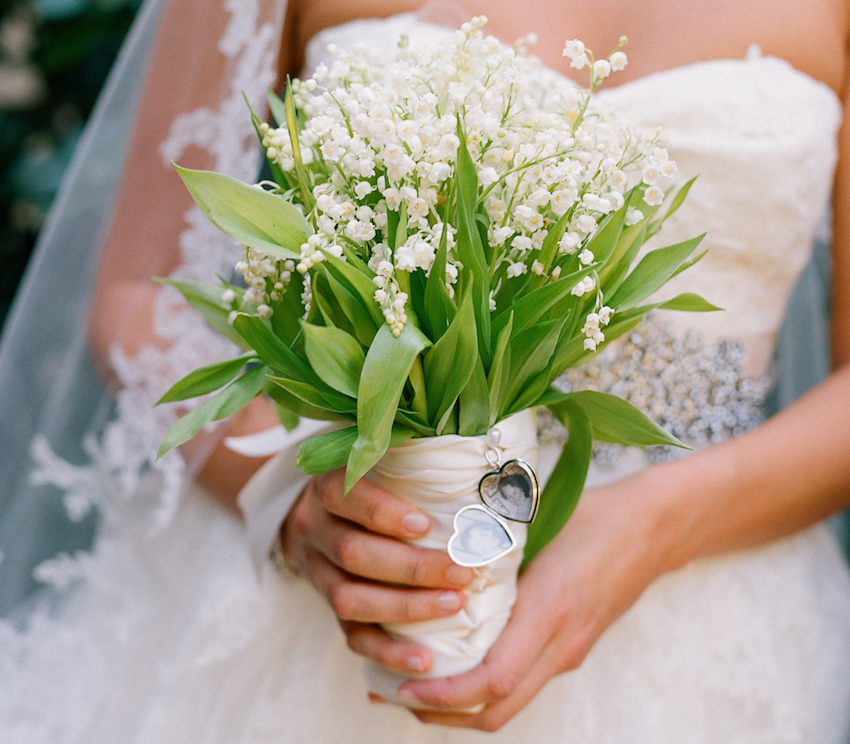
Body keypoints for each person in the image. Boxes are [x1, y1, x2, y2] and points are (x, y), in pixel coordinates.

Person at [1, 0, 850, 741]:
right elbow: (135, 291)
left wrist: (656, 525)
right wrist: (286, 497)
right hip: (339, 582)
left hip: (705, 631)